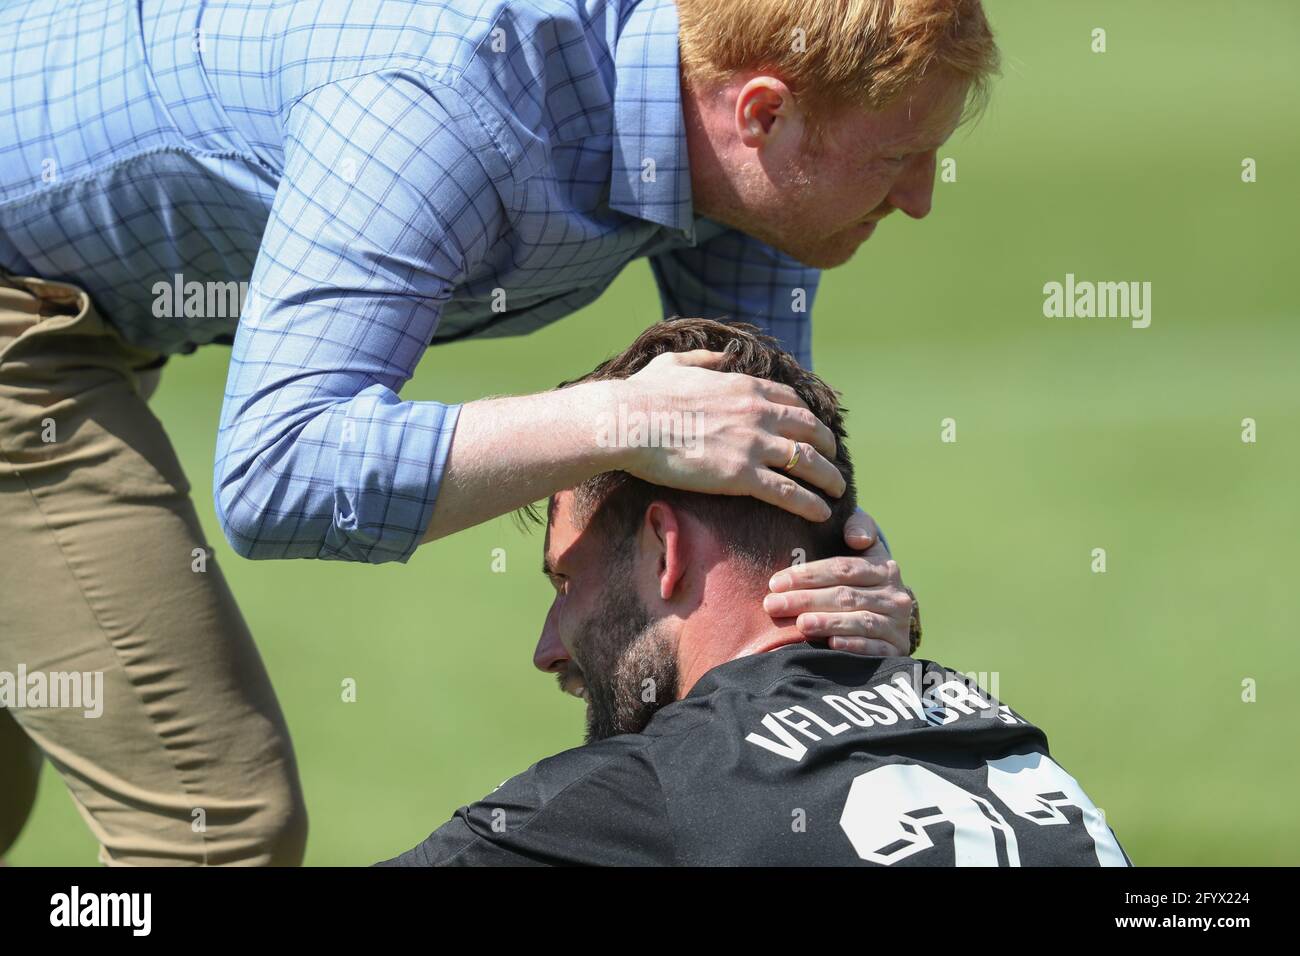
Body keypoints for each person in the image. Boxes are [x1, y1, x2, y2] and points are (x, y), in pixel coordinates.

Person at [0, 0, 996, 863]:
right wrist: (622, 417)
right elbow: (277, 468)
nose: (916, 201)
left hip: (87, 298)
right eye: (902, 156)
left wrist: (842, 588)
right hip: (22, 304)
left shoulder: (728, 131)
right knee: (210, 822)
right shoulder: (447, 106)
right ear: (763, 113)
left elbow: (756, 461)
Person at [381, 320, 1129, 867]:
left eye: (567, 580)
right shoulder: (1020, 750)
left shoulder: (658, 794)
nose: (549, 650)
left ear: (666, 550)